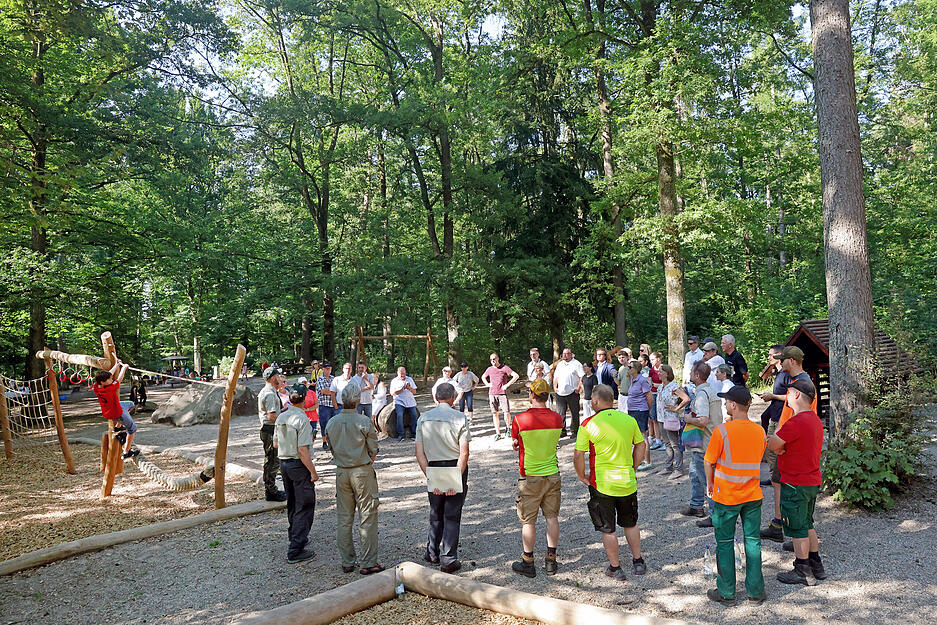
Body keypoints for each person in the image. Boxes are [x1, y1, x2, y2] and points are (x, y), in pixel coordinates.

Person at [574, 384, 648, 581]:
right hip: (627, 482)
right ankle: (638, 561)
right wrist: (634, 465)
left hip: (603, 485)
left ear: (596, 401)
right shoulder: (628, 419)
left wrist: (581, 475)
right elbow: (641, 443)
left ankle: (615, 568)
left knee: (609, 528)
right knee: (630, 524)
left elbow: (578, 454)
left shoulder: (588, 424)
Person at [704, 385, 767, 605]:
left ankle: (727, 593)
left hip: (727, 497)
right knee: (752, 542)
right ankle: (755, 592)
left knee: (724, 543)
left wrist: (710, 485)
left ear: (733, 405)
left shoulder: (722, 431)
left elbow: (708, 461)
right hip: (752, 495)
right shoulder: (759, 431)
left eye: (726, 402)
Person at [768, 377, 826, 586]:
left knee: (798, 527)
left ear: (797, 395)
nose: (787, 397)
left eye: (789, 392)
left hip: (795, 483)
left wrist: (777, 446)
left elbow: (773, 444)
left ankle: (802, 569)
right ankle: (815, 564)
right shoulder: (815, 420)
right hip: (810, 480)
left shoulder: (796, 421)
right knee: (808, 523)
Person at [760, 346, 817, 542]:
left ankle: (799, 535)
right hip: (784, 440)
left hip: (790, 446)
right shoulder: (795, 381)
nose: (779, 362)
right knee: (777, 481)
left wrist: (782, 442)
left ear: (792, 361)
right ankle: (780, 524)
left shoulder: (803, 384)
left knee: (793, 490)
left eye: (782, 359)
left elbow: (805, 417)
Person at [325, 384, 383, 575]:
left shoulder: (331, 422)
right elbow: (373, 450)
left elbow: (331, 448)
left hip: (341, 472)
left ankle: (347, 561)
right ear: (358, 400)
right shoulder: (364, 421)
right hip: (361, 471)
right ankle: (368, 562)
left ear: (342, 399)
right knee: (367, 515)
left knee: (344, 517)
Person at [415, 382, 471, 573]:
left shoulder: (424, 418)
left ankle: (432, 552)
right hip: (454, 465)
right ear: (453, 397)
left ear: (436, 396)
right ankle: (448, 557)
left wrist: (429, 474)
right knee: (452, 514)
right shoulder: (460, 418)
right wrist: (457, 475)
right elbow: (464, 453)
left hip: (433, 466)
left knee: (435, 511)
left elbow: (419, 453)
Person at [510, 379, 564, 578]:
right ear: (547, 395)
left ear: (531, 395)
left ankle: (528, 561)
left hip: (530, 475)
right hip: (552, 473)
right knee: (552, 517)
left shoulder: (520, 419)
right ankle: (551, 561)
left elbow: (516, 441)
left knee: (528, 521)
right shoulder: (558, 418)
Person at [274, 388, 320, 564]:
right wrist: (313, 471)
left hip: (284, 464)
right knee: (305, 504)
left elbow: (276, 444)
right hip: (298, 465)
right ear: (303, 400)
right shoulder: (302, 419)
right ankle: (296, 549)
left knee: (293, 502)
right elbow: (302, 450)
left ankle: (295, 535)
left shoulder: (282, 416)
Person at [681, 361, 719, 527]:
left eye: (691, 372)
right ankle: (696, 506)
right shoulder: (710, 391)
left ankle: (714, 515)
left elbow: (703, 420)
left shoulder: (703, 394)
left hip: (704, 443)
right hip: (707, 441)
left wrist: (688, 418)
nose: (689, 374)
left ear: (697, 375)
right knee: (695, 474)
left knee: (707, 479)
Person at [93, 359, 139, 459]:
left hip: (112, 409)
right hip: (116, 413)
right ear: (103, 381)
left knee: (131, 404)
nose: (112, 380)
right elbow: (120, 378)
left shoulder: (97, 386)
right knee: (132, 428)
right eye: (109, 379)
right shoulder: (109, 388)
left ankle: (118, 427)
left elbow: (109, 374)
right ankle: (126, 452)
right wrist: (124, 367)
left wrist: (117, 364)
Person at [257, 366, 288, 502]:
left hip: (271, 429)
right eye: (277, 376)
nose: (280, 379)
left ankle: (271, 488)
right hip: (270, 430)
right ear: (272, 378)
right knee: (272, 461)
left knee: (274, 460)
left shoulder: (271, 391)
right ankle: (271, 491)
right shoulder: (269, 393)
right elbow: (271, 416)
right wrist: (287, 420)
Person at [657, 365, 689, 478]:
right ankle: (668, 466)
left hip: (671, 418)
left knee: (674, 444)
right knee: (667, 443)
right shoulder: (660, 387)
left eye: (661, 371)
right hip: (661, 418)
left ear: (666, 373)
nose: (658, 373)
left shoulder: (673, 386)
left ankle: (678, 468)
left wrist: (676, 408)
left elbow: (686, 398)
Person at [481, 352, 519, 441]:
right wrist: (487, 384)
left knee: (506, 412)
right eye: (491, 359)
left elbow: (516, 376)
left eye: (494, 359)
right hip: (492, 394)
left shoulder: (504, 368)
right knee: (495, 413)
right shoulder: (489, 369)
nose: (492, 361)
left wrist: (507, 385)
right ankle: (497, 433)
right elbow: (483, 377)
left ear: (498, 358)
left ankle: (508, 428)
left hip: (502, 394)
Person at [627, 361, 655, 472]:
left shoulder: (642, 381)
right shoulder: (632, 379)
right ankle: (641, 459)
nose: (628, 369)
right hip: (633, 410)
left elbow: (650, 397)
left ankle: (648, 461)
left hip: (640, 410)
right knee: (636, 436)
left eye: (630, 367)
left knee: (643, 435)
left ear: (636, 369)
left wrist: (648, 410)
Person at [553, 348, 584, 439]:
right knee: (560, 413)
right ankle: (562, 431)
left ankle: (575, 431)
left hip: (573, 392)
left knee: (574, 412)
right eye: (563, 354)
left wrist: (578, 388)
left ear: (571, 354)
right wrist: (555, 387)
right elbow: (556, 377)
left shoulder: (576, 364)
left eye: (567, 354)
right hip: (560, 392)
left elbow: (582, 376)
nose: (565, 355)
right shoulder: (560, 364)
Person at [390, 366, 419, 441]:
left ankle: (414, 434)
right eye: (401, 373)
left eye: (404, 373)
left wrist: (409, 388)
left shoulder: (409, 379)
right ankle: (400, 434)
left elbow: (415, 392)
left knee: (414, 415)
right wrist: (401, 390)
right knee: (399, 415)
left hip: (410, 401)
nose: (403, 375)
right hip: (399, 401)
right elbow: (392, 393)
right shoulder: (394, 381)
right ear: (398, 373)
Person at [315, 362, 335, 450]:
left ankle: (332, 442)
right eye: (327, 369)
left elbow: (337, 390)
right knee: (324, 424)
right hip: (323, 405)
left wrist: (330, 391)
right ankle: (324, 442)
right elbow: (323, 391)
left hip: (333, 404)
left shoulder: (333, 378)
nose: (328, 370)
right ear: (323, 369)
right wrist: (332, 391)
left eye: (329, 368)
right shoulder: (320, 379)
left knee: (333, 424)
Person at [296, 377, 319, 442]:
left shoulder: (312, 393)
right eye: (302, 383)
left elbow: (317, 404)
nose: (303, 384)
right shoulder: (296, 393)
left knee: (312, 435)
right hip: (301, 417)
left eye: (305, 382)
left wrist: (308, 409)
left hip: (312, 417)